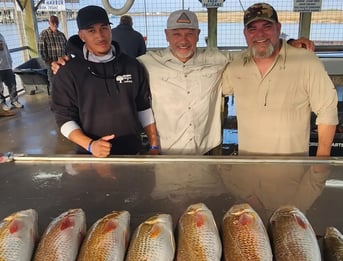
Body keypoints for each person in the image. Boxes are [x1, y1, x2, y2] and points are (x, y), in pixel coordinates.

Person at [52, 9, 313, 155]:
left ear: (199, 35)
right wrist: (65, 63)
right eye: (177, 33)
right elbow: (68, 112)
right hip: (168, 153)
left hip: (208, 151)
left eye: (189, 33)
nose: (183, 40)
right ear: (166, 35)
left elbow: (255, 48)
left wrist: (287, 42)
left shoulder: (218, 59)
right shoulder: (145, 63)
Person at [222, 3, 338, 156]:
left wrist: (321, 162)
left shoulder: (306, 62)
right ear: (245, 33)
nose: (260, 34)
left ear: (278, 28)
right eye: (252, 29)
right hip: (248, 170)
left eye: (267, 27)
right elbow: (215, 90)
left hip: (291, 171)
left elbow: (327, 110)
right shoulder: (236, 65)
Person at [51, 5, 159, 157]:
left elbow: (143, 107)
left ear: (110, 29)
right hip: (90, 154)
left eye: (104, 28)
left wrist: (154, 144)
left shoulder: (132, 65)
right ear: (81, 35)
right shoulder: (68, 72)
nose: (100, 36)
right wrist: (90, 145)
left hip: (133, 151)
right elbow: (63, 119)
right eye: (91, 31)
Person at [38, 15, 67, 94]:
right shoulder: (44, 34)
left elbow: (67, 48)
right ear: (49, 23)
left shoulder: (61, 35)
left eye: (56, 22)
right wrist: (51, 62)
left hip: (63, 64)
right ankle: (54, 101)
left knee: (64, 83)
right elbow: (41, 51)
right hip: (51, 65)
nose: (55, 24)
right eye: (53, 22)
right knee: (53, 84)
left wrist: (66, 59)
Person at [0, 33, 23, 112]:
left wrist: (10, 61)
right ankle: (2, 103)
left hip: (7, 65)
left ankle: (14, 100)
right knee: (0, 87)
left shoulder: (1, 35)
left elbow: (5, 49)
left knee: (12, 83)